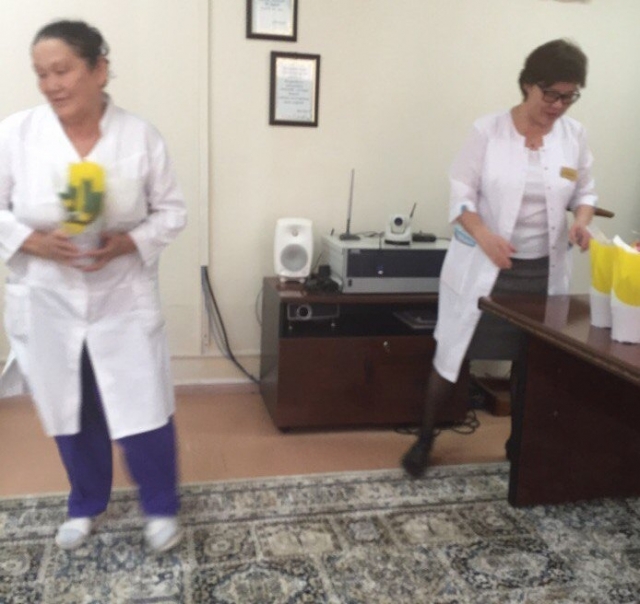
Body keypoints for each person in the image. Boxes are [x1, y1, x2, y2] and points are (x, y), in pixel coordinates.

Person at [0, 20, 187, 551]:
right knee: (71, 408)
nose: (51, 85)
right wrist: (33, 241)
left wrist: (127, 243)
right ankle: (85, 503)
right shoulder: (16, 134)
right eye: (41, 74)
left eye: (62, 71)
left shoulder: (139, 137)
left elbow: (172, 212)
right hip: (48, 298)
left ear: (98, 69)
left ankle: (160, 507)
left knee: (143, 405)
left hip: (121, 296)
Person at [401, 39, 597, 478]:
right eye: (551, 94)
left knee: (532, 360)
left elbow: (585, 192)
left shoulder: (574, 136)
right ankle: (425, 438)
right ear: (528, 84)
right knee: (454, 351)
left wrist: (581, 222)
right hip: (486, 267)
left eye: (569, 96)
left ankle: (518, 444)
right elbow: (461, 196)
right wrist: (485, 236)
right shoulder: (487, 132)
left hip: (543, 273)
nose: (559, 106)